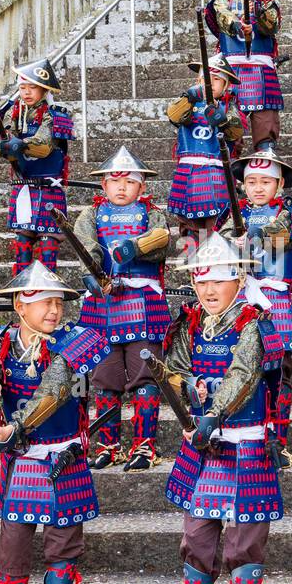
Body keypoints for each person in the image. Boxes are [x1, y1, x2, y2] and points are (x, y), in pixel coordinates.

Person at [0, 262, 111, 584]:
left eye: (58, 302)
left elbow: (55, 390)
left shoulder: (75, 341)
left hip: (62, 455)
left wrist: (14, 426)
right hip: (19, 461)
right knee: (12, 546)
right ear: (19, 304)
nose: (54, 310)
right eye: (44, 302)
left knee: (63, 546)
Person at [162, 233, 284, 584]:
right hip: (202, 445)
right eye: (200, 280)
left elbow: (243, 374)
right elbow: (173, 370)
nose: (208, 290)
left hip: (246, 444)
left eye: (218, 280)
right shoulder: (190, 322)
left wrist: (213, 410)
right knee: (196, 540)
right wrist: (183, 387)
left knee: (245, 545)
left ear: (239, 279)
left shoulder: (254, 323)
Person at [73, 146, 172, 472]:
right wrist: (92, 272)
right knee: (104, 379)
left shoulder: (153, 215)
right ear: (102, 185)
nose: (120, 187)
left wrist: (133, 248)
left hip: (143, 305)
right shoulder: (90, 215)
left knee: (145, 378)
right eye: (113, 181)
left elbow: (161, 243)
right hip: (102, 306)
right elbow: (86, 244)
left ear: (142, 186)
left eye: (129, 182)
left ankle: (144, 447)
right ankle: (107, 445)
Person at [221, 147, 292, 469]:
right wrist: (230, 242)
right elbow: (215, 248)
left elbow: (285, 236)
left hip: (275, 301)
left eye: (265, 181)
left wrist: (252, 236)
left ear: (279, 184)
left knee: (278, 372)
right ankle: (240, 430)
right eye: (251, 181)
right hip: (240, 299)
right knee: (241, 365)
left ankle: (279, 439)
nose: (258, 188)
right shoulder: (230, 214)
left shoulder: (291, 213)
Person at [0, 58, 74, 271]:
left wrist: (18, 144)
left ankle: (47, 293)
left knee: (48, 247)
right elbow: (0, 144)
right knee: (22, 245)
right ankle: (22, 296)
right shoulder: (12, 111)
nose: (27, 92)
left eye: (33, 87)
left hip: (48, 188)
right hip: (22, 187)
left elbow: (43, 146)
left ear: (44, 89)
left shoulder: (55, 114)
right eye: (23, 87)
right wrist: (4, 146)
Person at [204, 0, 284, 151]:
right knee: (229, 121)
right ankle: (230, 166)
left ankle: (265, 158)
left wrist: (258, 14)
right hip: (231, 69)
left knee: (265, 119)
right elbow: (223, 19)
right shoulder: (221, 2)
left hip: (261, 68)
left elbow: (271, 26)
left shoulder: (266, 2)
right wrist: (239, 26)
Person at [166, 53, 246, 245]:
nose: (210, 83)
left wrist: (222, 120)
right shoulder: (187, 103)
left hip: (215, 170)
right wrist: (189, 96)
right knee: (188, 222)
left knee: (215, 219)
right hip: (188, 170)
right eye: (206, 78)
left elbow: (236, 133)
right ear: (198, 80)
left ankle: (214, 258)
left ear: (226, 85)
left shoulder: (229, 107)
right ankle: (194, 264)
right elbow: (174, 115)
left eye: (217, 79)